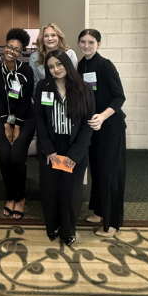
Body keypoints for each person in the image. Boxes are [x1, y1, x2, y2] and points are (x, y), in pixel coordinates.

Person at [35, 53, 93, 247]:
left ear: (67, 64)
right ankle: (52, 226)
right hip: (51, 146)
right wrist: (48, 149)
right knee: (50, 189)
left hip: (74, 146)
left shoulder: (83, 88)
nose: (56, 69)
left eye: (59, 64)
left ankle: (68, 229)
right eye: (51, 67)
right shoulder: (43, 87)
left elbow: (87, 125)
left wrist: (75, 155)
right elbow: (40, 121)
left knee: (70, 191)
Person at [76, 28, 126, 237]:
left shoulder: (105, 65)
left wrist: (103, 116)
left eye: (91, 42)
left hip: (110, 128)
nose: (86, 45)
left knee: (109, 174)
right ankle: (99, 211)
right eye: (83, 41)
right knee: (96, 170)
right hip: (92, 127)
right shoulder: (82, 65)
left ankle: (112, 222)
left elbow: (119, 97)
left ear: (99, 44)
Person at [0, 31, 37, 223]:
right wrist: (6, 123)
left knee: (17, 157)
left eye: (16, 49)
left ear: (22, 52)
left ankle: (20, 198)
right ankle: (11, 196)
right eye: (9, 46)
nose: (11, 51)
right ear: (5, 47)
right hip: (5, 118)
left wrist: (17, 125)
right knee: (4, 158)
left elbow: (26, 99)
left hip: (26, 118)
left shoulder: (26, 71)